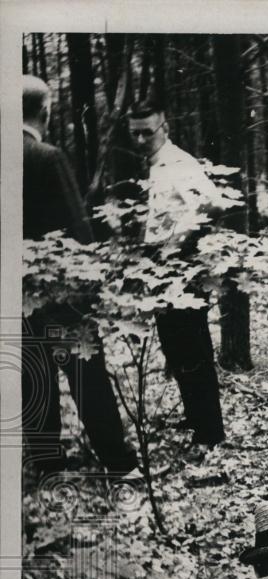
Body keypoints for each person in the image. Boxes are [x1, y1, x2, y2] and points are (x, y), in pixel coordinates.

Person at [22, 74, 139, 481]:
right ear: (46, 111)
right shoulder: (48, 157)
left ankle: (47, 465)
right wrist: (92, 289)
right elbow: (78, 231)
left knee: (33, 377)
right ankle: (117, 462)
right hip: (62, 296)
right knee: (88, 377)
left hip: (18, 297)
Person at [127, 102, 226, 456]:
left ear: (164, 127)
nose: (140, 139)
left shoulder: (178, 164)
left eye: (147, 132)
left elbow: (213, 205)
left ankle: (209, 432)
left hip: (180, 269)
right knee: (176, 347)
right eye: (134, 132)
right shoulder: (155, 164)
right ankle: (196, 418)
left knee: (191, 348)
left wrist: (177, 245)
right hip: (162, 267)